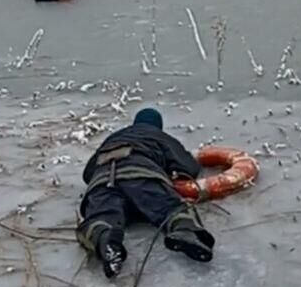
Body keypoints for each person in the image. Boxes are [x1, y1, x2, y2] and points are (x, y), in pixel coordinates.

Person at [76, 108, 216, 278]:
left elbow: (87, 174)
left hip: (103, 182)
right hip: (142, 176)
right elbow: (189, 167)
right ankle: (183, 229)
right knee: (169, 209)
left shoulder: (113, 138)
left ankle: (105, 239)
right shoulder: (157, 135)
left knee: (100, 218)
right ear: (158, 126)